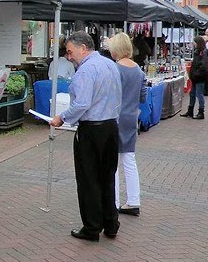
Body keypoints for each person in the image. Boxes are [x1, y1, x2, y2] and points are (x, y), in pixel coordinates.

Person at [49, 31, 122, 242]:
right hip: (110, 126)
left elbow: (82, 103)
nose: (69, 56)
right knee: (107, 176)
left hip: (92, 129)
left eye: (70, 51)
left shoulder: (86, 70)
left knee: (89, 178)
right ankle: (111, 222)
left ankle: (92, 227)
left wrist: (62, 117)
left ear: (83, 48)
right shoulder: (110, 64)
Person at [107, 32, 146, 217]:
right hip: (131, 117)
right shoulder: (138, 70)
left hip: (115, 117)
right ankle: (133, 200)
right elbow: (143, 96)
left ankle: (113, 202)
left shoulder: (114, 69)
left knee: (112, 161)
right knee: (129, 159)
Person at [182, 36, 208, 120]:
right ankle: (190, 110)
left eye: (194, 42)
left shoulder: (203, 52)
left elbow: (204, 66)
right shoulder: (198, 52)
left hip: (199, 77)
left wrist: (196, 74)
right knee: (192, 94)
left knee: (199, 94)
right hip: (195, 77)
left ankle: (201, 112)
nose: (193, 44)